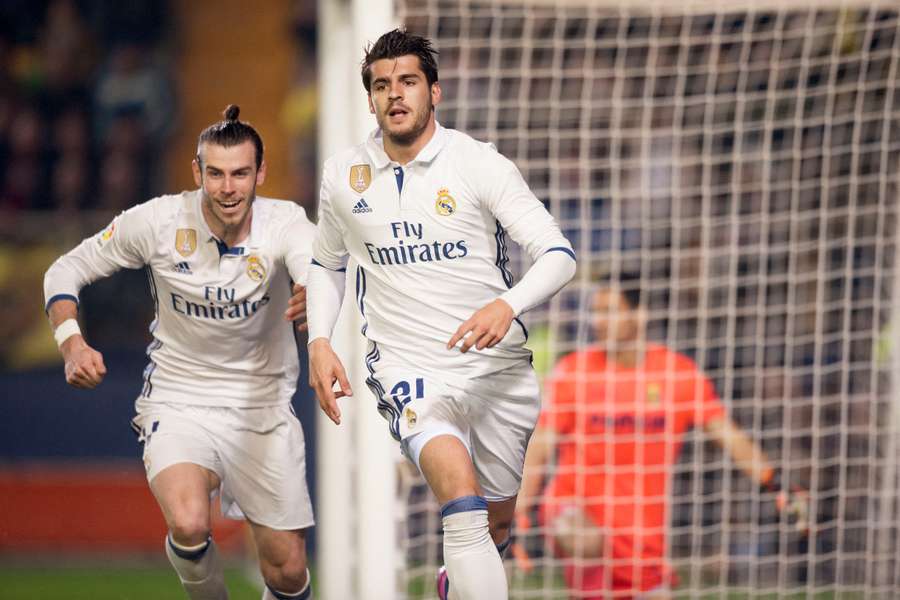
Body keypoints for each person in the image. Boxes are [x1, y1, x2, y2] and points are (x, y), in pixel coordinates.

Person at [306, 29, 576, 600]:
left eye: (407, 82)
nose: (394, 95)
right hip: (409, 369)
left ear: (435, 92)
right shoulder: (342, 176)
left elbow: (558, 256)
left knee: (495, 525)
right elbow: (327, 264)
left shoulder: (479, 164)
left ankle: (456, 583)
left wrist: (509, 304)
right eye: (382, 86)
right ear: (371, 98)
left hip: (498, 370)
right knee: (463, 505)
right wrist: (320, 342)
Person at [43, 106, 317, 600]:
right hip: (178, 399)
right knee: (190, 523)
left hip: (262, 407)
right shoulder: (158, 221)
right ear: (197, 173)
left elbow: (313, 269)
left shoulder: (286, 223)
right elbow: (65, 269)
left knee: (287, 571)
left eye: (239, 174)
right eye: (215, 174)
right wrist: (71, 342)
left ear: (261, 173)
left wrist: (314, 294)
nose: (228, 188)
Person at [515, 275, 810, 600]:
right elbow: (541, 446)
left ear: (639, 315)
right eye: (595, 312)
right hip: (573, 505)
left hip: (640, 536)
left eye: (610, 312)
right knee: (583, 539)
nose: (598, 322)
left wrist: (775, 482)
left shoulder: (677, 374)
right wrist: (519, 510)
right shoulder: (574, 372)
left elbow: (728, 435)